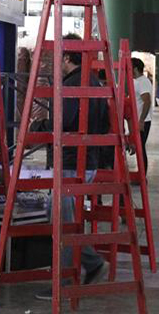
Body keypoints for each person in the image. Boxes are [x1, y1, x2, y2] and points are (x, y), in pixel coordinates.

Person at [31, 35, 109, 298]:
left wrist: (38, 126)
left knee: (61, 220)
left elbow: (64, 121)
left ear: (66, 57)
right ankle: (87, 265)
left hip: (71, 162)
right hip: (87, 160)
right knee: (64, 218)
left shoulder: (74, 85)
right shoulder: (93, 82)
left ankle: (72, 276)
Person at [132, 58, 153, 173]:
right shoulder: (136, 81)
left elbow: (147, 101)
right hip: (138, 120)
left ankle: (142, 175)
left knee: (140, 148)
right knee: (139, 147)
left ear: (135, 68)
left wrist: (141, 121)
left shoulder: (143, 82)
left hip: (143, 121)